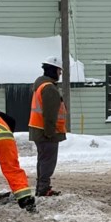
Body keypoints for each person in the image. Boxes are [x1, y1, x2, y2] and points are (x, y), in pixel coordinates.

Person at [29, 55, 68, 197]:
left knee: (43, 160)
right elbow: (50, 114)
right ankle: (43, 189)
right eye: (59, 71)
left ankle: (42, 188)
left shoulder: (40, 85)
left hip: (39, 130)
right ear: (53, 70)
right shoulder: (49, 88)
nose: (60, 74)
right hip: (46, 132)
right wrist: (50, 132)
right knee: (48, 162)